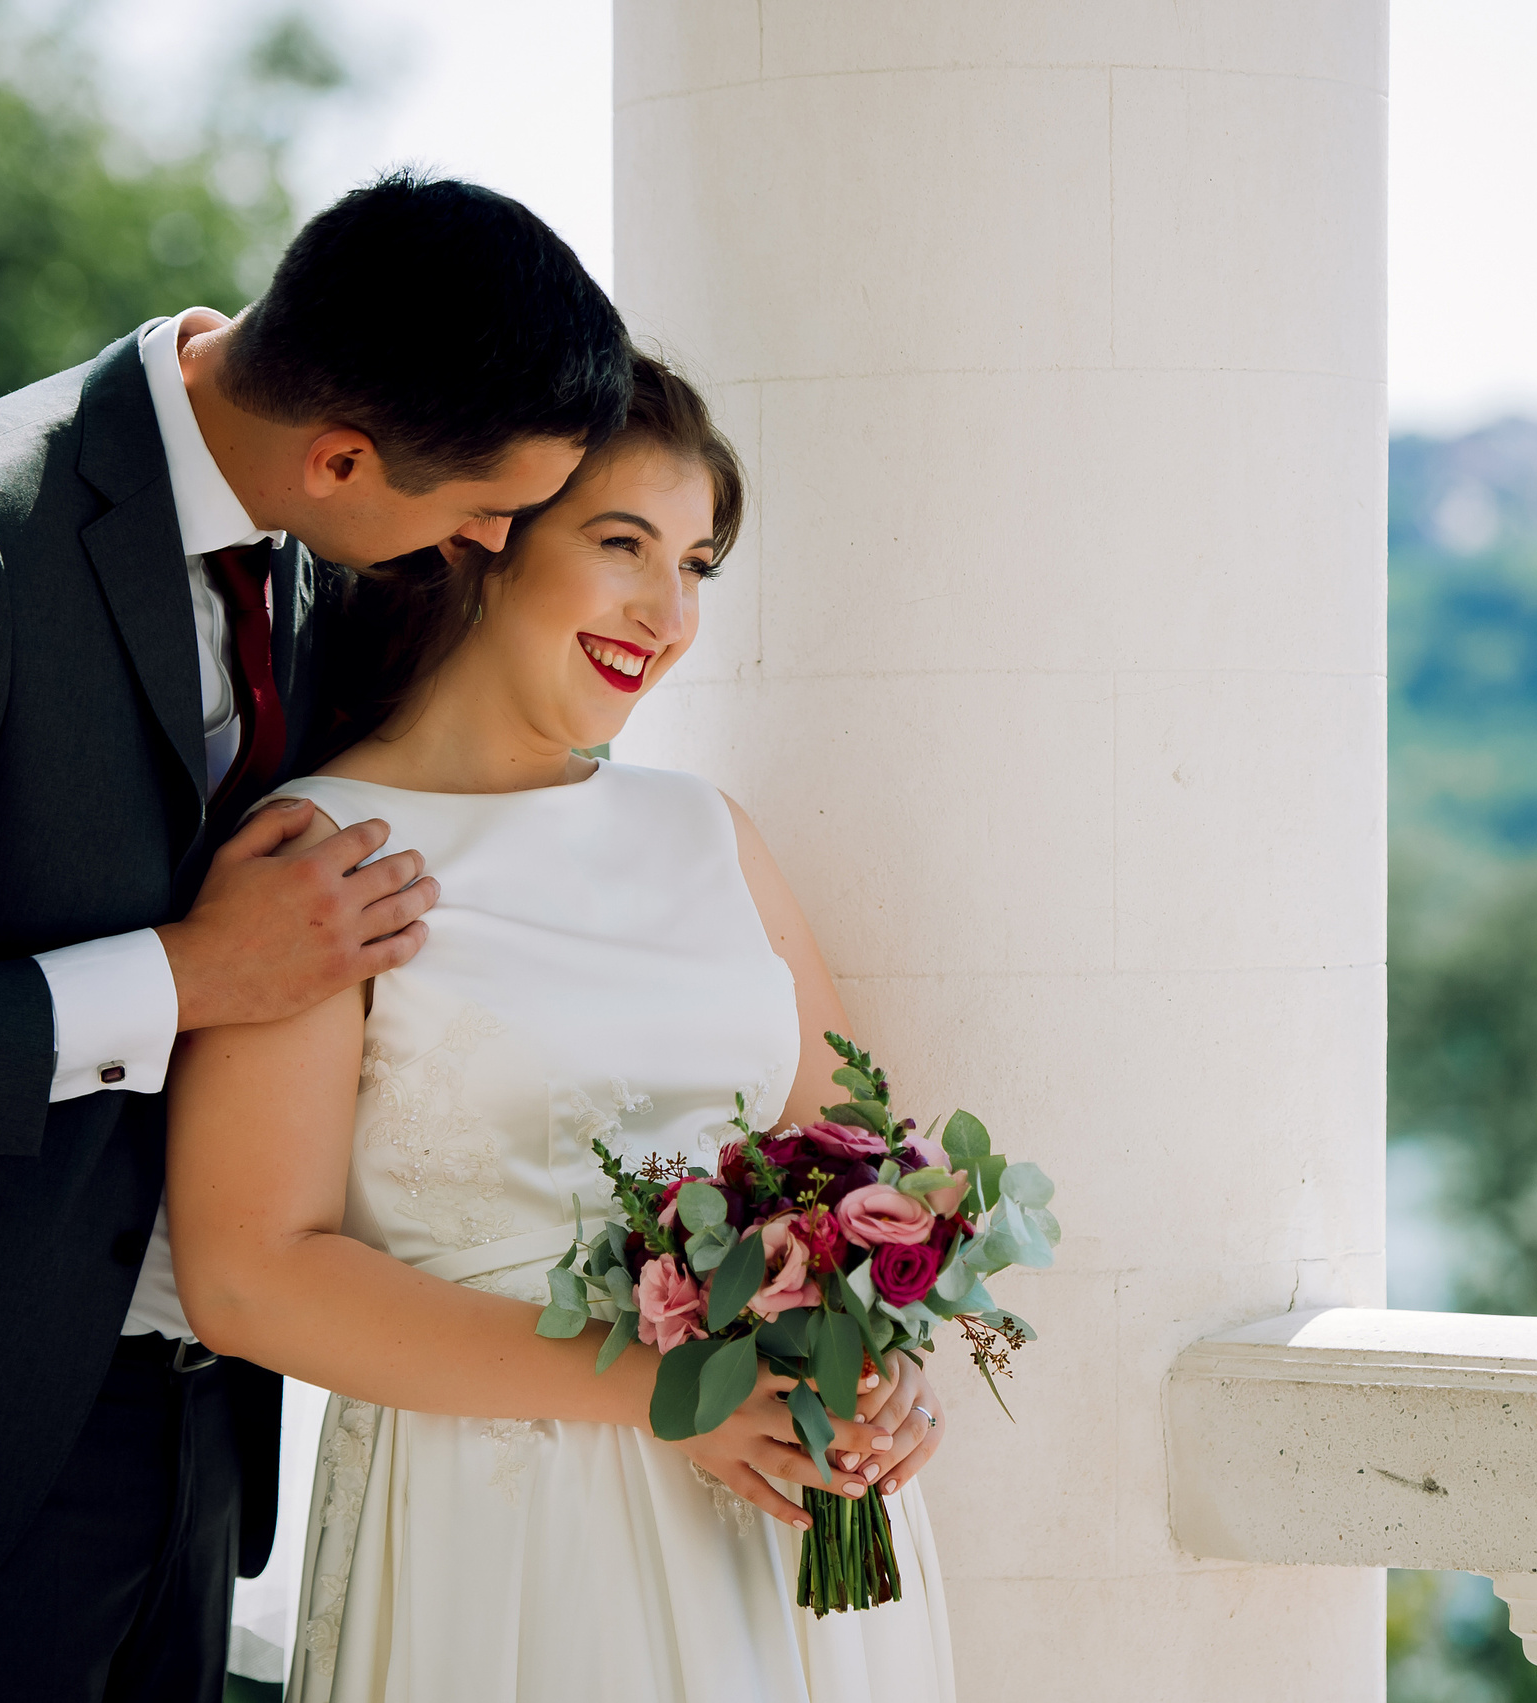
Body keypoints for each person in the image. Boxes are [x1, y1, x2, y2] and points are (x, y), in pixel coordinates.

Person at [0, 172, 634, 1702]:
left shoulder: (314, 538)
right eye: (479, 506)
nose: (491, 541)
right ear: (344, 453)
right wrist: (190, 974)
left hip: (204, 1420)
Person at [165, 351, 956, 1701]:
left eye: (699, 562)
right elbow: (249, 1278)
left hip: (782, 1555)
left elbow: (851, 1157)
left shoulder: (709, 835)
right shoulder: (322, 856)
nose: (670, 609)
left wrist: (881, 1356)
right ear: (485, 538)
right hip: (505, 1547)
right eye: (623, 543)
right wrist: (652, 1392)